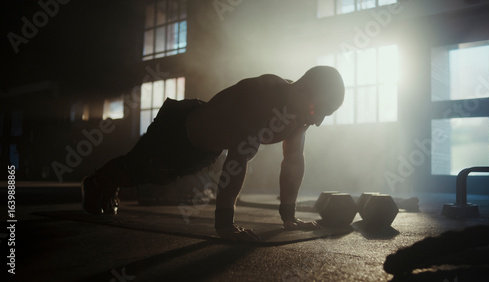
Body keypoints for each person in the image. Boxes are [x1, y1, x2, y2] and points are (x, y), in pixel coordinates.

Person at [81, 66, 345, 241]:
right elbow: (238, 159)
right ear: (300, 90)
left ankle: (108, 182)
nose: (319, 120)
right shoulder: (264, 95)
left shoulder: (301, 117)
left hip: (204, 151)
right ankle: (95, 182)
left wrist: (290, 217)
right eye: (318, 110)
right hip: (179, 130)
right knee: (138, 171)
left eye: (326, 114)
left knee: (160, 179)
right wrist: (225, 224)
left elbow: (293, 161)